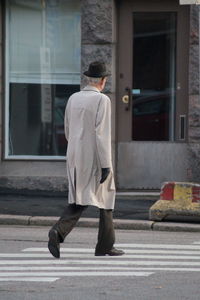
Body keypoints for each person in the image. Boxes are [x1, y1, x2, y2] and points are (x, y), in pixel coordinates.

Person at [48, 61, 124, 258]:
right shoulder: (102, 101)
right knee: (105, 198)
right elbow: (102, 134)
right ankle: (103, 244)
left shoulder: (73, 98)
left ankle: (60, 232)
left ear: (88, 79)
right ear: (103, 81)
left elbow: (67, 128)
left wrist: (76, 143)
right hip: (95, 156)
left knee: (80, 196)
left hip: (74, 153)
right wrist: (106, 164)